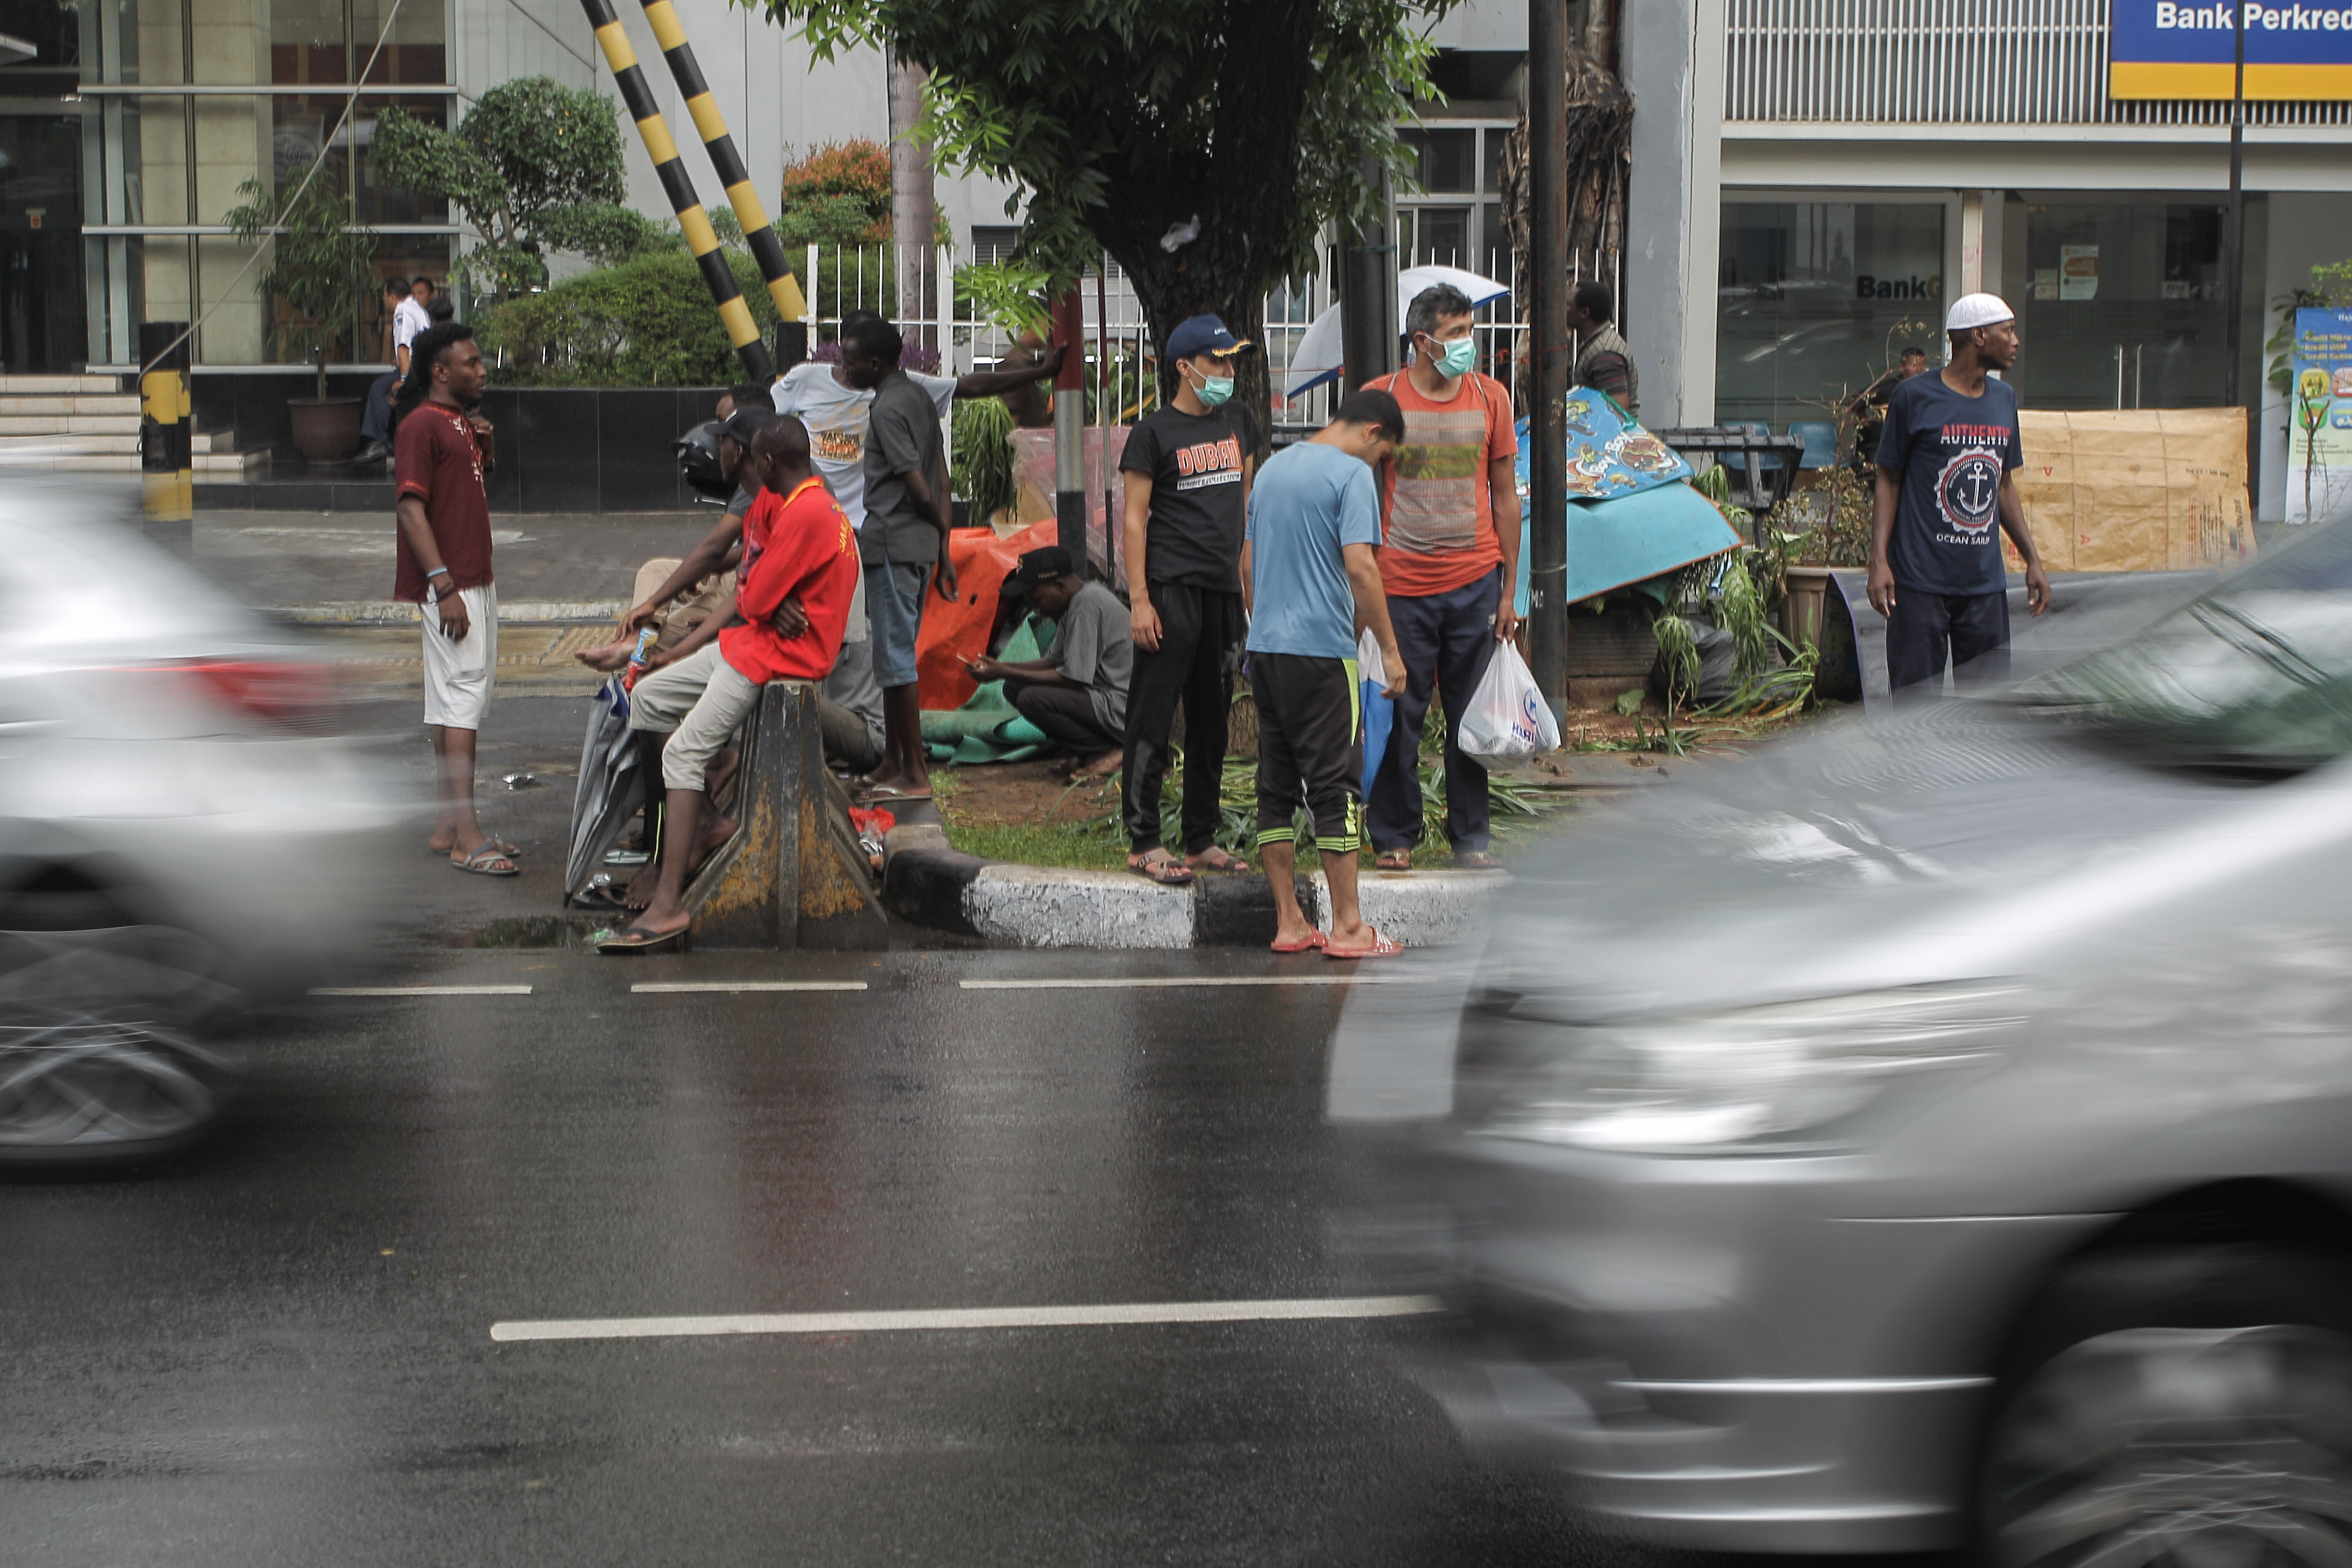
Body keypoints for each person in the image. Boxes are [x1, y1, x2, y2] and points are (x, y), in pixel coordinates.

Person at [600, 416, 861, 951]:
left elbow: (756, 596)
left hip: (782, 655)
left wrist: (769, 596)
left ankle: (669, 904)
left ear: (764, 461)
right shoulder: (772, 501)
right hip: (755, 640)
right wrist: (766, 595)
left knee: (683, 756)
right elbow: (750, 585)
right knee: (647, 696)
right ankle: (706, 821)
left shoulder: (811, 510)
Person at [1242, 389, 1408, 958]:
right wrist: (1388, 649)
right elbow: (1361, 565)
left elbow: (1246, 563)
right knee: (1334, 787)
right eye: (1383, 454)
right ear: (1371, 432)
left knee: (1275, 789)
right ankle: (1348, 927)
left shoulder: (1270, 470)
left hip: (1265, 651)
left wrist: (1261, 623)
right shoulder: (1350, 476)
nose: (1377, 466)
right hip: (1321, 655)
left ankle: (1289, 923)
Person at [1362, 283, 1521, 874]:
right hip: (1398, 586)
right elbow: (1356, 489)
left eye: (1469, 332)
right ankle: (1393, 837)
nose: (1467, 345)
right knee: (1399, 715)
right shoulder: (1380, 400)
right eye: (1456, 335)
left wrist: (1510, 590)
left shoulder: (1491, 397)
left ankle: (1470, 839)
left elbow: (1505, 497)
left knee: (1470, 718)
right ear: (1422, 341)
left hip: (1475, 581)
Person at [1118, 313, 1257, 887]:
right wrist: (1140, 601)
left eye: (1230, 360)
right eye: (1216, 361)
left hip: (1222, 592)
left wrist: (1250, 593)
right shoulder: (1152, 434)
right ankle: (1143, 840)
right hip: (1171, 590)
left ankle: (1200, 837)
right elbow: (1132, 521)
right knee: (1153, 715)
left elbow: (1244, 510)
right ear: (1184, 367)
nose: (1227, 371)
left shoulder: (1240, 422)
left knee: (1212, 720)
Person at [1869, 293, 2051, 704]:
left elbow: (2002, 485)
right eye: (2008, 330)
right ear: (1980, 336)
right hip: (1918, 585)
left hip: (1983, 587)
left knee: (1985, 713)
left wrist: (2032, 559)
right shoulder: (1913, 397)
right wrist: (1879, 560)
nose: (2016, 341)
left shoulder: (2003, 401)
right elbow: (1889, 478)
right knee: (1916, 712)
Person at [390, 322, 510, 875]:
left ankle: (447, 827)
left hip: (470, 579)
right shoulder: (420, 426)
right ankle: (468, 836)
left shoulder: (459, 423)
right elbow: (410, 509)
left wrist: (483, 448)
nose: (482, 370)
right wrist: (443, 587)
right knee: (462, 703)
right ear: (440, 371)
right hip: (452, 585)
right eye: (472, 362)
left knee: (451, 703)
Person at [838, 315, 954, 801]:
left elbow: (921, 483)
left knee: (897, 662)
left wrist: (933, 527)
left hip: (894, 545)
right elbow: (944, 477)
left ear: (875, 363)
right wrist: (943, 548)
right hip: (916, 546)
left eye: (849, 361)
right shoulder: (918, 398)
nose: (843, 369)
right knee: (891, 662)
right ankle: (893, 762)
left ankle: (915, 773)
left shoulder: (888, 410)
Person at [968, 546, 1131, 778]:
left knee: (1032, 699)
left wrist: (1004, 670)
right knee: (1014, 688)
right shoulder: (1074, 603)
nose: (1036, 609)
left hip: (1122, 706)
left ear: (1059, 586)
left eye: (1037, 600)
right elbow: (1054, 661)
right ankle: (1092, 750)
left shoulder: (1087, 604)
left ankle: (1104, 753)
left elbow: (1072, 680)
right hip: (1104, 699)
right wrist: (1002, 669)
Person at [356, 276, 432, 464]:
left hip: (413, 371)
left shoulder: (402, 311)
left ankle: (381, 441)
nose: (383, 300)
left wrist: (405, 380)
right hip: (423, 366)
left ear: (392, 297)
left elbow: (404, 347)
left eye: (384, 296)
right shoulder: (417, 308)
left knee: (379, 389)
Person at [1849, 346, 1930, 473]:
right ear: (1903, 368)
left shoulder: (1929, 389)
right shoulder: (1889, 387)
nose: (1920, 370)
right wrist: (1865, 421)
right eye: (1915, 365)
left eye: (1922, 365)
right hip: (1882, 445)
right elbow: (1856, 399)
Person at [1566, 281, 1638, 414]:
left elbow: (1617, 414)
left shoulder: (1605, 354)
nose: (1563, 310)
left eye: (1568, 305)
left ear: (1584, 313)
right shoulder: (1596, 345)